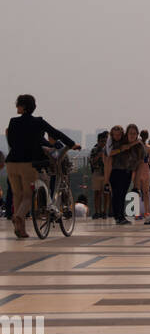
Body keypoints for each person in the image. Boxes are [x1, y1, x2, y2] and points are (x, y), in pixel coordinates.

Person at [4, 95, 79, 239]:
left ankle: (20, 229)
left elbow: (12, 142)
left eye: (18, 104)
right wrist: (71, 144)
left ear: (23, 107)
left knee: (17, 194)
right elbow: (56, 133)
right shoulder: (38, 122)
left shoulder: (13, 122)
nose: (16, 107)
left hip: (12, 162)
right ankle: (18, 216)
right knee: (28, 195)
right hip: (28, 163)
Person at [106, 124, 146, 224]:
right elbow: (110, 152)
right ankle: (118, 216)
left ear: (137, 134)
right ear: (126, 134)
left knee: (123, 194)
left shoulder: (140, 146)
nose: (132, 135)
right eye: (130, 133)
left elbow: (141, 162)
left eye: (134, 133)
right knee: (117, 194)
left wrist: (136, 185)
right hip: (116, 171)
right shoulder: (120, 142)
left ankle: (120, 216)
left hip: (127, 172)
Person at [89, 132, 110, 220]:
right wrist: (100, 154)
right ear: (98, 141)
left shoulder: (109, 150)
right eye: (102, 141)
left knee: (106, 193)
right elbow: (92, 161)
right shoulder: (94, 150)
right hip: (97, 172)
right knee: (97, 193)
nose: (103, 143)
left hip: (106, 173)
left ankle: (105, 212)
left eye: (105, 141)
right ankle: (97, 212)